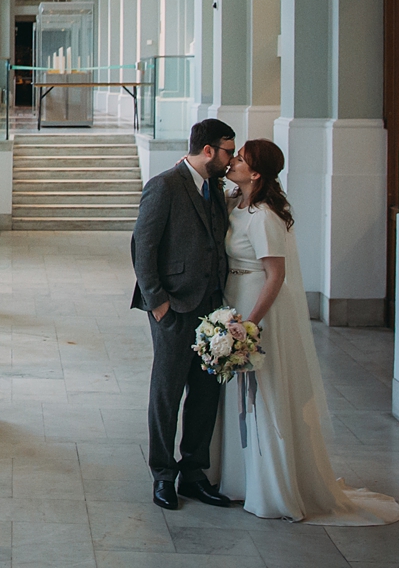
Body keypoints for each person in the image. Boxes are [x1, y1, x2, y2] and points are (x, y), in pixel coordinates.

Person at [216, 139, 399, 524]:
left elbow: (276, 276)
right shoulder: (235, 203)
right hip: (232, 299)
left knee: (263, 392)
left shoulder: (265, 215)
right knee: (237, 393)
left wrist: (249, 324)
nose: (232, 162)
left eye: (240, 158)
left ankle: (271, 484)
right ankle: (237, 478)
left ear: (256, 173)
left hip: (255, 305)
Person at [131, 118, 237, 511]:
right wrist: (158, 302)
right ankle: (163, 475)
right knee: (167, 393)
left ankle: (195, 474)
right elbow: (143, 247)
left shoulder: (217, 188)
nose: (232, 159)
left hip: (212, 307)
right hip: (174, 308)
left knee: (206, 393)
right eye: (227, 151)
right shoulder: (164, 185)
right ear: (207, 150)